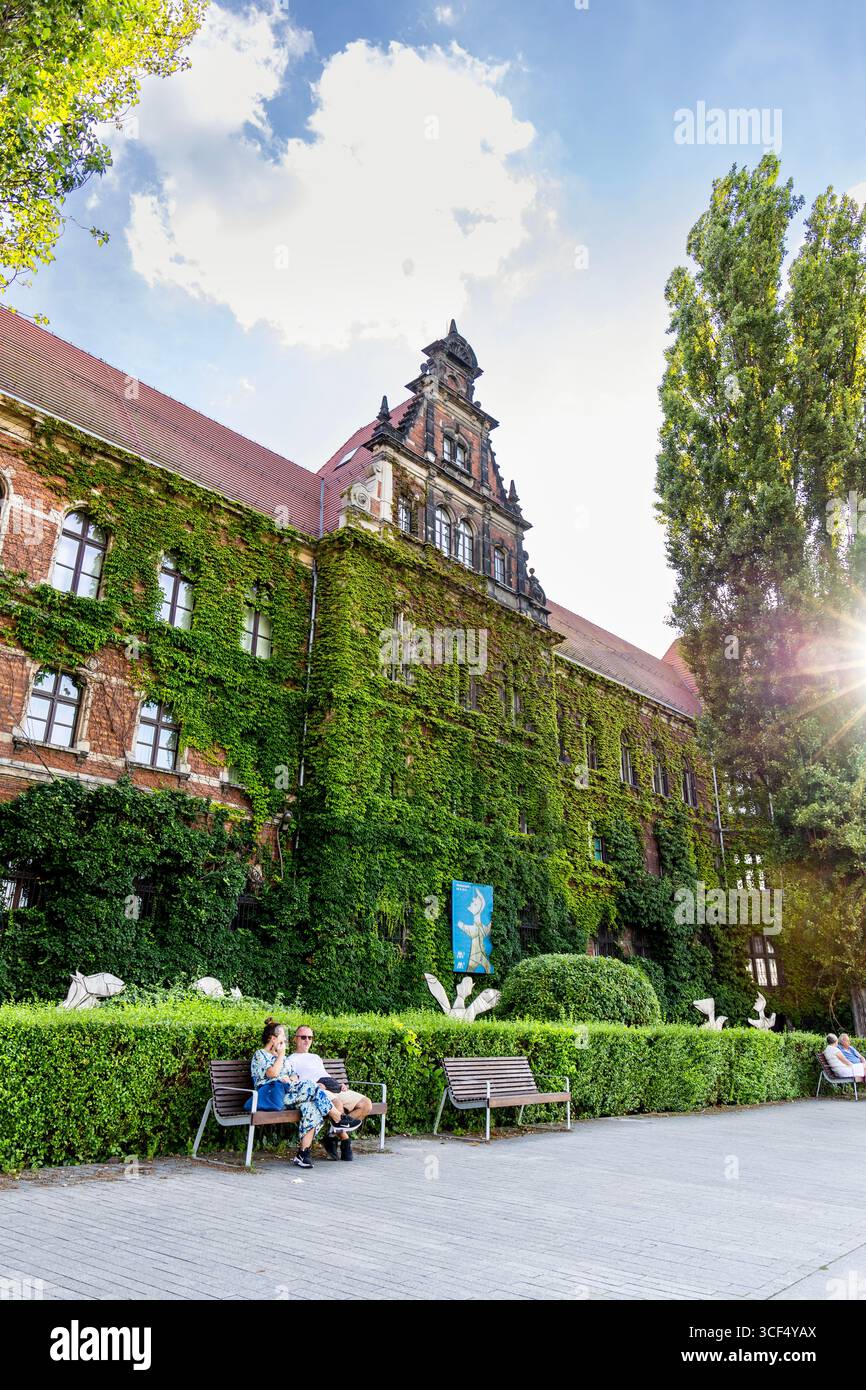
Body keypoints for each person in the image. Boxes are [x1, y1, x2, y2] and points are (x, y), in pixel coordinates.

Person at [250, 1018, 362, 1169]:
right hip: (272, 1096)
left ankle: (303, 1154)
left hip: (289, 1094)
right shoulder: (260, 1055)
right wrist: (281, 1057)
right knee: (310, 1086)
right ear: (273, 1038)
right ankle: (338, 1118)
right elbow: (271, 1073)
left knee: (312, 1107)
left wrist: (288, 1078)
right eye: (283, 1036)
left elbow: (294, 1076)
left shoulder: (282, 1058)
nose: (285, 1039)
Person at [288, 1023, 373, 1162]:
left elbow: (323, 1073)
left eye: (310, 1037)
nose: (307, 1040)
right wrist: (315, 1085)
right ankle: (344, 1139)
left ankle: (331, 1135)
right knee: (337, 1105)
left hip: (333, 1086)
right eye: (303, 1037)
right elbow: (296, 1082)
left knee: (366, 1104)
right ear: (295, 1039)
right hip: (318, 1089)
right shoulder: (291, 1060)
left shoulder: (315, 1057)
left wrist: (339, 1085)